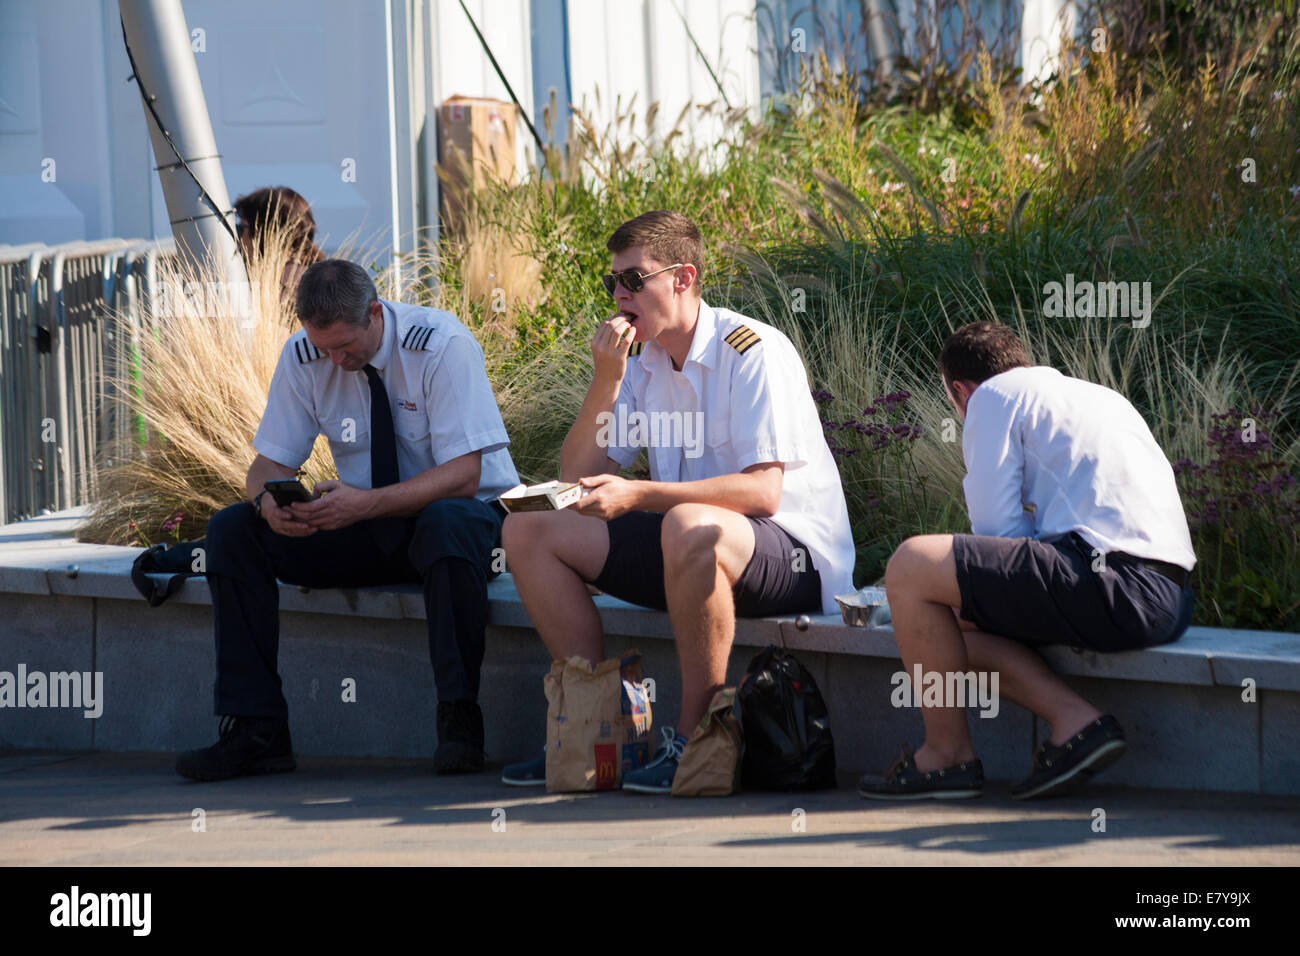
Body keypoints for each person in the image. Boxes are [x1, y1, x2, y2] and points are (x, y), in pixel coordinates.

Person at [499, 210, 856, 793]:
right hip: (685, 548)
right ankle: (597, 735)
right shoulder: (643, 365)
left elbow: (763, 493)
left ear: (683, 278)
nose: (619, 294)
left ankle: (696, 740)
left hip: (791, 556)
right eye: (613, 282)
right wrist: (607, 379)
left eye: (634, 280)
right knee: (529, 532)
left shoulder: (754, 351)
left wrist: (641, 494)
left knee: (688, 525)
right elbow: (579, 474)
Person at [176, 258, 519, 781]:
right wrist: (269, 502)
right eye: (324, 347)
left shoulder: (441, 346)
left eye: (345, 347)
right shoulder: (304, 353)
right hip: (372, 523)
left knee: (445, 522)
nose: (334, 361)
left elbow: (464, 476)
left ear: (375, 314)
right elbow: (266, 466)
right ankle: (256, 730)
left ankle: (459, 722)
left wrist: (365, 503)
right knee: (232, 529)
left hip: (466, 525)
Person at [857, 321, 1196, 800]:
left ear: (959, 390)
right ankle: (1077, 723)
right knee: (940, 630)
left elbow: (998, 534)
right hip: (1168, 597)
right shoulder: (1093, 395)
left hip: (1116, 584)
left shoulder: (992, 398)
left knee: (912, 565)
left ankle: (945, 755)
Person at [233, 186, 326, 294]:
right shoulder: (315, 277)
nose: (238, 239)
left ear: (264, 233)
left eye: (240, 229)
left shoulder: (280, 288)